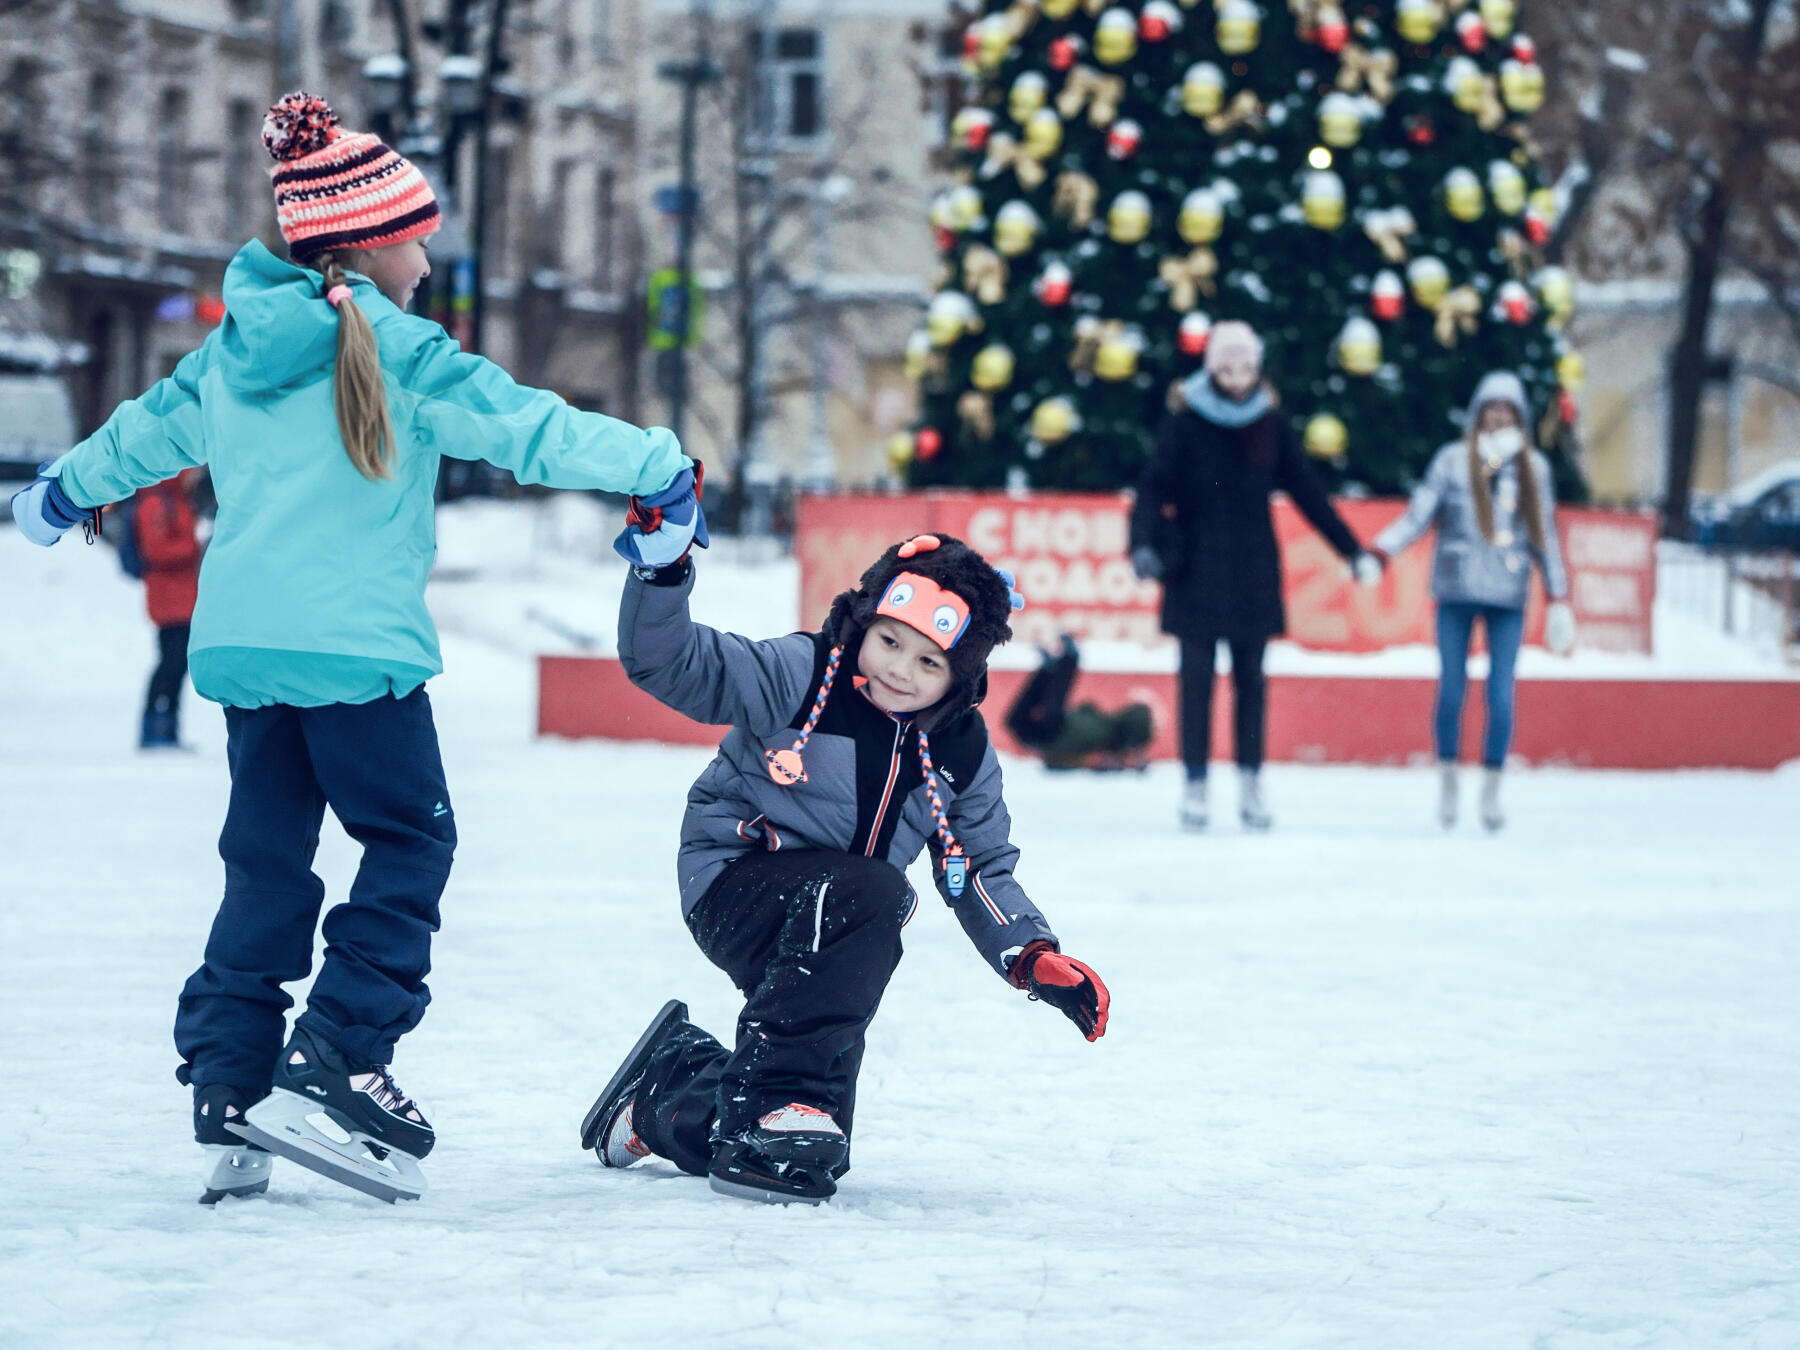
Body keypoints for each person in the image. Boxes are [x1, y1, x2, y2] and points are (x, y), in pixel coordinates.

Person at [9, 92, 704, 1205]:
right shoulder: (404, 349)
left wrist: (59, 491)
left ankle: (232, 1084)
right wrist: (657, 465)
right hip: (355, 657)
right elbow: (525, 423)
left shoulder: (230, 354)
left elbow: (140, 434)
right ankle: (341, 1049)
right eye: (421, 233)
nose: (432, 253)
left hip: (247, 657)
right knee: (411, 841)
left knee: (265, 862)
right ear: (376, 242)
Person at [580, 532, 1109, 1205]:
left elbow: (976, 866)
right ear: (863, 621)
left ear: (961, 677)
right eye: (888, 641)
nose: (900, 671)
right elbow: (674, 661)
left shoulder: (960, 755)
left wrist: (1030, 953)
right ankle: (769, 1104)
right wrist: (663, 573)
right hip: (736, 879)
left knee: (810, 1150)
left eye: (929, 662)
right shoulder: (802, 675)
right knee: (872, 898)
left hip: (836, 928)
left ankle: (669, 1094)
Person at [1129, 321, 1378, 832]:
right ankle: (1195, 785)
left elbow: (1308, 492)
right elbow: (1153, 488)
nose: (1237, 378)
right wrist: (1142, 545)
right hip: (1194, 569)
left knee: (1251, 684)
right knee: (1196, 682)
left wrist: (1352, 551)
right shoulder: (1186, 422)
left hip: (1251, 572)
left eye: (1246, 367)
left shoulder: (1270, 423)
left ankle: (1250, 782)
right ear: (1212, 368)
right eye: (1227, 367)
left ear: (1257, 369)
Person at [1368, 370, 1574, 831]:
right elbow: (1418, 514)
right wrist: (1380, 552)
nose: (1499, 418)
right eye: (1491, 408)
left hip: (1508, 593)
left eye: (1508, 410)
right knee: (1452, 690)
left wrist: (1559, 596)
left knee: (1501, 697)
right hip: (1456, 588)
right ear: (1479, 413)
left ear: (1519, 417)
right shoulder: (1452, 461)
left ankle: (1492, 787)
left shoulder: (1532, 469)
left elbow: (1546, 536)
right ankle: (1447, 777)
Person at [132, 469, 205, 750]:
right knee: (169, 664)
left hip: (183, 596)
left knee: (178, 664)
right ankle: (154, 728)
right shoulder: (157, 501)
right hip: (168, 599)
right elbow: (155, 549)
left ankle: (168, 728)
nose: (195, 478)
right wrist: (194, 546)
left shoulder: (177, 499)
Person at [1005, 634, 1154, 770]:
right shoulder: (1112, 732)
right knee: (1038, 718)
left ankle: (1052, 667)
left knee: (1022, 720)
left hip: (1061, 739)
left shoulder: (1119, 745)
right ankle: (1055, 666)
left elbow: (1100, 761)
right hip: (1065, 735)